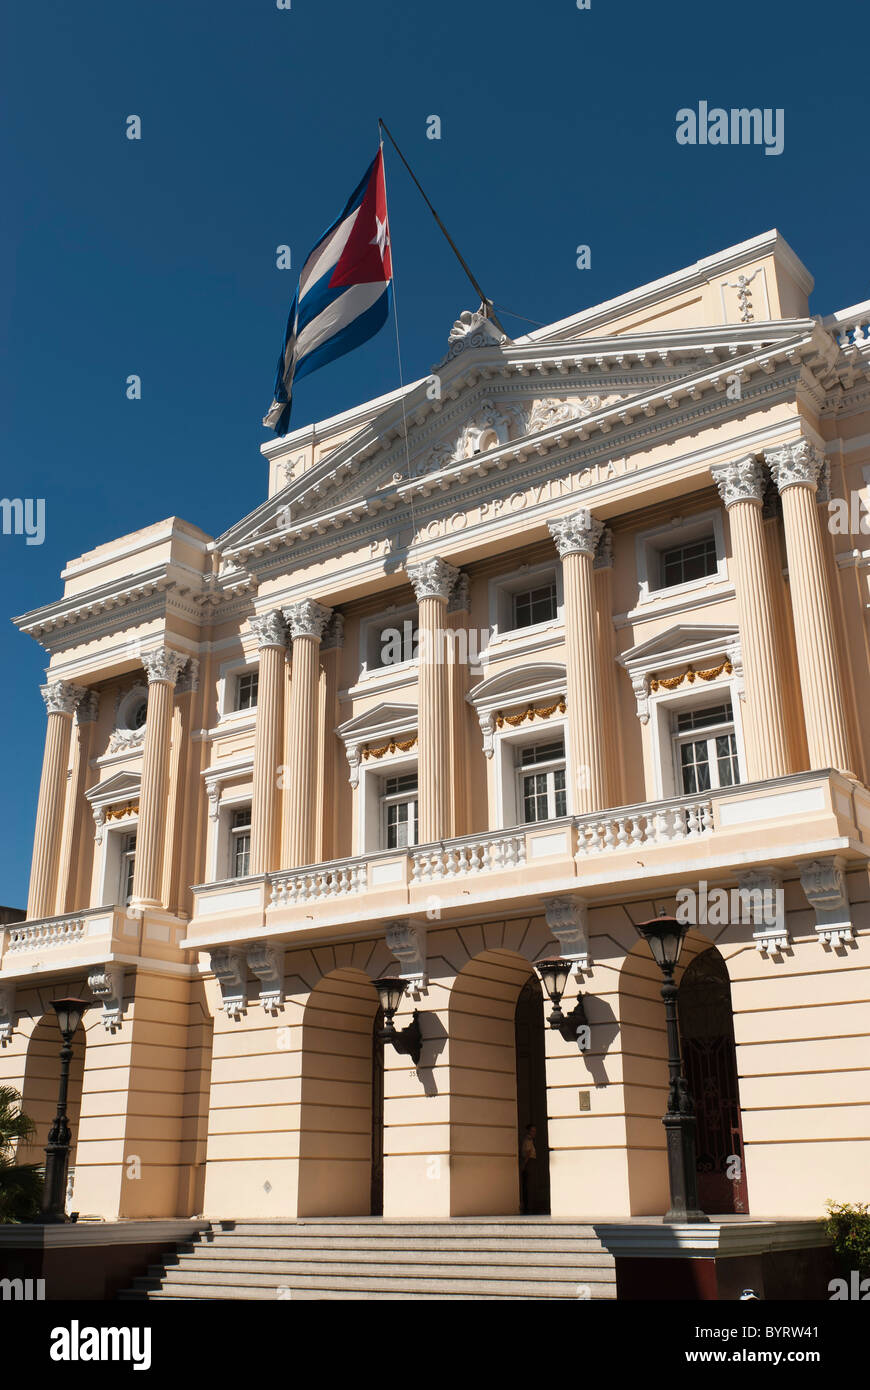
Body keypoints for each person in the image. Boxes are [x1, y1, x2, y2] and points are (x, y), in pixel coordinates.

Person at [520, 1123, 536, 1213]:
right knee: (529, 1186)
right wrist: (524, 1165)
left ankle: (529, 1207)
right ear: (528, 1131)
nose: (534, 1133)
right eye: (533, 1131)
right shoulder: (528, 1140)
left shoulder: (529, 1140)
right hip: (529, 1162)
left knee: (529, 1185)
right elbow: (528, 1153)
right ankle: (529, 1208)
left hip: (530, 1162)